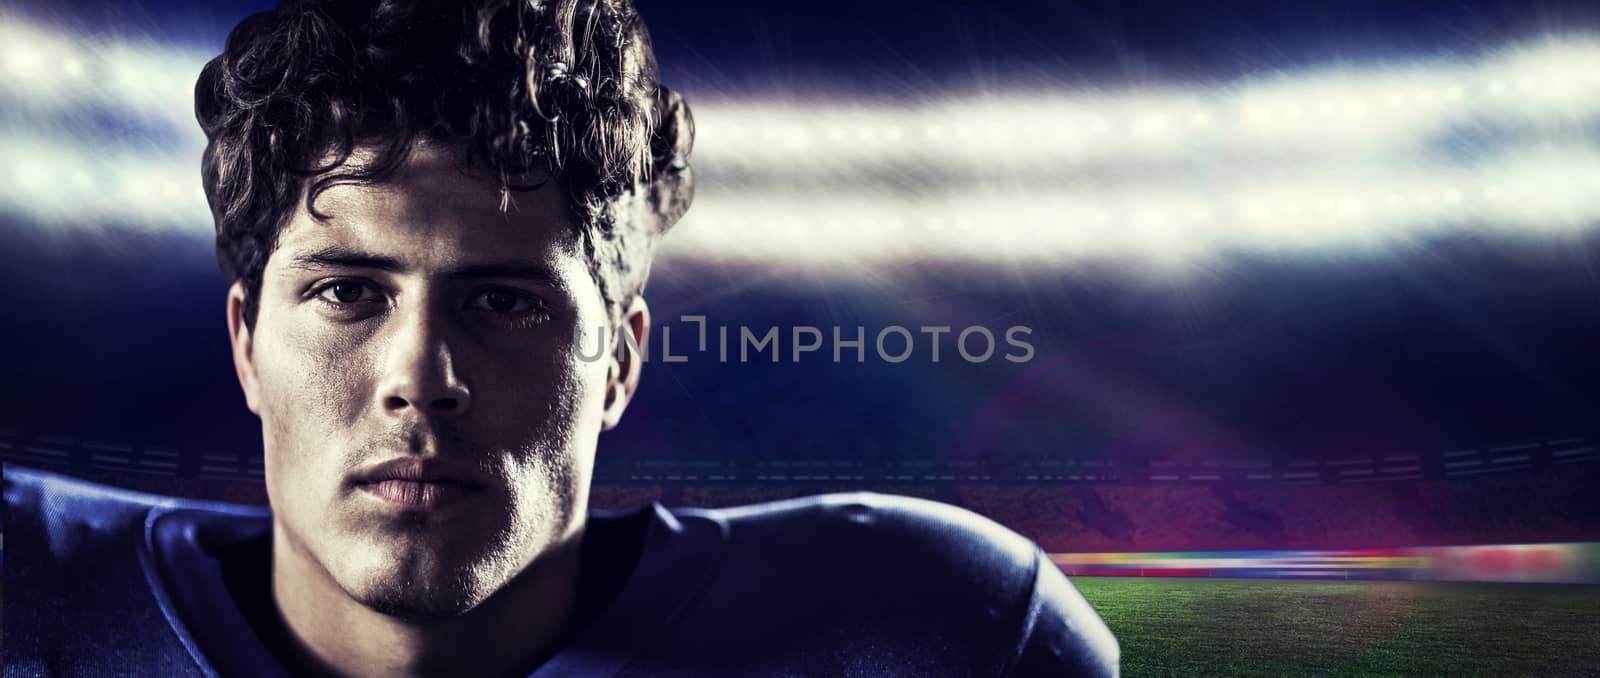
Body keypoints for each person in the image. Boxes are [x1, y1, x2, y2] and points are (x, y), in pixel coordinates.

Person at [1, 0, 1119, 675]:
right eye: (348, 292)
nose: (418, 380)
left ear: (620, 360)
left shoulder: (935, 629)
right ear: (248, 346)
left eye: (506, 302)